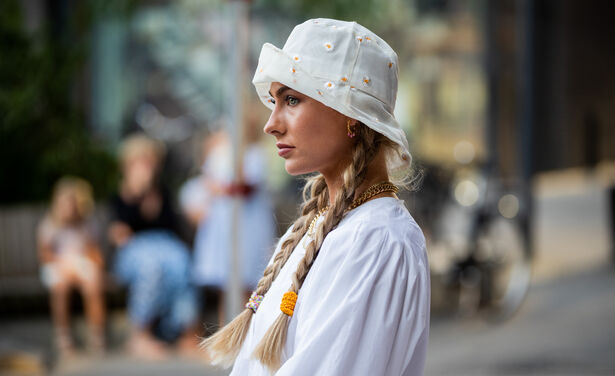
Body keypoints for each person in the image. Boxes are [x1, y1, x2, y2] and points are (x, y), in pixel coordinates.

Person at [201, 18, 430, 375]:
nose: (271, 123)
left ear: (349, 115)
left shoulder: (376, 239)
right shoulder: (322, 229)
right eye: (275, 101)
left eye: (292, 99)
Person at [108, 134, 199, 359]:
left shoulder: (163, 192)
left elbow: (170, 224)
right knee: (152, 267)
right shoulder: (121, 195)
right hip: (135, 252)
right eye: (141, 161)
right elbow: (121, 234)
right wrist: (136, 195)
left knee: (182, 263)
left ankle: (187, 332)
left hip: (166, 247)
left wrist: (151, 196)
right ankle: (140, 334)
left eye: (150, 161)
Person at [189, 126, 275, 327]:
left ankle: (252, 330)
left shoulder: (254, 155)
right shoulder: (218, 155)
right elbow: (207, 183)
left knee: (253, 284)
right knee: (227, 287)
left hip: (250, 228)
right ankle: (225, 334)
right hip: (225, 228)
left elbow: (245, 187)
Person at [37, 177, 106, 358]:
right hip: (57, 265)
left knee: (93, 285)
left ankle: (96, 334)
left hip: (81, 264)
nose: (70, 208)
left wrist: (91, 264)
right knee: (60, 288)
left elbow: (94, 252)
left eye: (73, 203)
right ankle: (63, 335)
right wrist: (64, 264)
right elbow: (45, 255)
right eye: (65, 203)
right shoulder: (49, 224)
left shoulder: (87, 224)